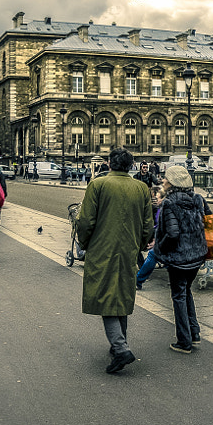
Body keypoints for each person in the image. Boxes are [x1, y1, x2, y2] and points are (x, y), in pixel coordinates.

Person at [74, 147, 152, 374]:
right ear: (130, 166)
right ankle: (120, 341)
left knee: (106, 296)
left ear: (109, 163)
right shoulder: (141, 188)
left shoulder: (98, 184)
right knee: (122, 295)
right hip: (129, 250)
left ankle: (120, 349)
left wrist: (85, 243)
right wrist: (140, 243)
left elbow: (86, 221)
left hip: (102, 248)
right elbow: (148, 225)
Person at [151, 165, 213, 353]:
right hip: (197, 255)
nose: (163, 181)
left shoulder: (169, 203)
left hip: (179, 258)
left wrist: (158, 247)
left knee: (178, 296)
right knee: (186, 292)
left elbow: (172, 233)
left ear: (173, 183)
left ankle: (184, 341)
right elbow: (208, 222)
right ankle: (194, 334)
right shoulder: (197, 199)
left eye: (166, 179)